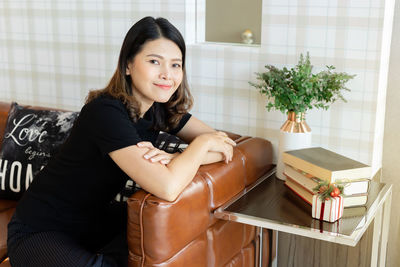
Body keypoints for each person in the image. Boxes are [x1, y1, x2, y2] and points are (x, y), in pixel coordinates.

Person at [7, 16, 236, 267]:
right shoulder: (105, 111)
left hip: (92, 223)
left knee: (160, 234)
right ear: (128, 65)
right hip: (40, 230)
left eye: (175, 65)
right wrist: (200, 144)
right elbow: (168, 186)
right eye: (154, 62)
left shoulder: (161, 109)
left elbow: (224, 146)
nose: (167, 75)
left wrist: (179, 157)